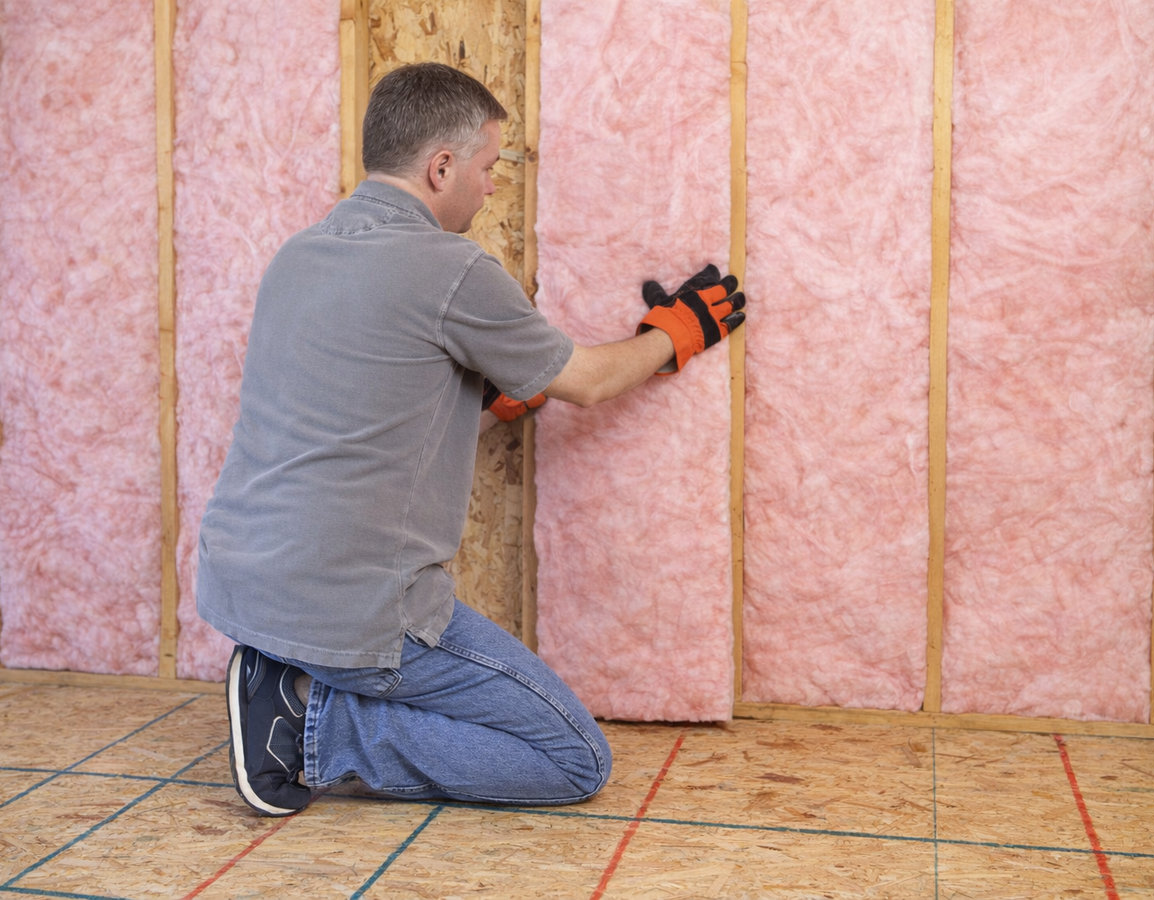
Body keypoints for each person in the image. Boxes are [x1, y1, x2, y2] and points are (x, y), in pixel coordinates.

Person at [196, 62, 745, 818]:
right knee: (571, 759)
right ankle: (312, 722)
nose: (491, 188)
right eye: (488, 167)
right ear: (441, 165)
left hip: (246, 583)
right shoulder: (450, 269)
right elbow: (585, 380)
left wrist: (495, 405)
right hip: (358, 611)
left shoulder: (298, 257)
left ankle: (286, 670)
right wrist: (675, 334)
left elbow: (371, 418)